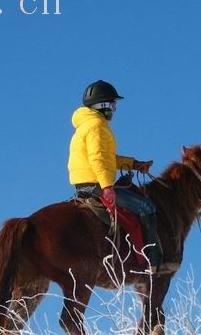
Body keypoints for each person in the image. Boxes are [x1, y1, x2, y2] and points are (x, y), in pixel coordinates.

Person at [67, 80, 163, 270]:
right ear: (101, 105)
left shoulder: (86, 124)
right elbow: (98, 159)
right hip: (96, 184)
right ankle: (152, 262)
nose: (114, 108)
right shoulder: (97, 126)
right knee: (147, 207)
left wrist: (134, 164)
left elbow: (108, 158)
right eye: (112, 104)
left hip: (84, 184)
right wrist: (107, 187)